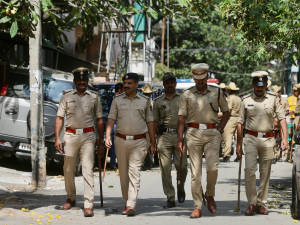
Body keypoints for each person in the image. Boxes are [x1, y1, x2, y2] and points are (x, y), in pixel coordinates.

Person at [177, 63, 230, 218]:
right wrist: (180, 139)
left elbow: (226, 112)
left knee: (212, 168)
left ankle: (210, 194)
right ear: (194, 77)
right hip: (193, 133)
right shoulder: (186, 94)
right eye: (197, 79)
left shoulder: (217, 92)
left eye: (202, 78)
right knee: (195, 173)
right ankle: (197, 205)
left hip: (212, 132)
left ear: (207, 76)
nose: (199, 81)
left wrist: (220, 129)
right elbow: (181, 117)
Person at [236, 71, 288, 216]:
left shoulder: (273, 99)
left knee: (265, 173)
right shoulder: (245, 100)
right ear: (253, 85)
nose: (259, 89)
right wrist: (239, 145)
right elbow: (240, 123)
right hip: (251, 139)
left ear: (266, 85)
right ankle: (252, 203)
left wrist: (285, 139)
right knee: (250, 171)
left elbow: (282, 118)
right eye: (257, 86)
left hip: (268, 139)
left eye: (262, 86)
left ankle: (261, 203)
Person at [54, 67, 104, 217]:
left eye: (84, 80)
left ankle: (88, 203)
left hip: (88, 136)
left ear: (87, 81)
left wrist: (100, 141)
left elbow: (100, 119)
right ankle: (71, 197)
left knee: (87, 169)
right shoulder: (66, 97)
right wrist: (57, 137)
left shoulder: (94, 97)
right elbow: (59, 118)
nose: (82, 82)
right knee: (68, 169)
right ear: (75, 81)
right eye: (79, 80)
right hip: (70, 136)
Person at [105, 73, 155, 216]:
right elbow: (111, 119)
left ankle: (130, 204)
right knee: (123, 175)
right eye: (125, 83)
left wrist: (152, 141)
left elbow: (150, 122)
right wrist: (107, 136)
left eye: (130, 83)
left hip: (139, 142)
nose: (126, 86)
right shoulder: (117, 100)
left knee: (134, 172)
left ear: (137, 85)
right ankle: (127, 200)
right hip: (120, 141)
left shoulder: (145, 101)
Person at [153, 72, 187, 208]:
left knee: (182, 167)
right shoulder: (158, 101)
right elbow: (154, 121)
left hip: (181, 136)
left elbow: (188, 117)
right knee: (165, 169)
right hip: (165, 137)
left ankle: (180, 186)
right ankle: (170, 196)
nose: (170, 85)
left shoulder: (183, 99)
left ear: (175, 83)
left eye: (172, 82)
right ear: (164, 84)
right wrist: (155, 137)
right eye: (167, 83)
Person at [222, 82, 241, 162]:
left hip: (231, 118)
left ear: (229, 90)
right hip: (239, 118)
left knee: (228, 136)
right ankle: (239, 155)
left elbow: (228, 110)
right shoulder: (239, 98)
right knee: (238, 138)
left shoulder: (230, 98)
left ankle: (227, 155)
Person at [108, 82, 124, 170]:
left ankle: (113, 163)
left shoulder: (112, 98)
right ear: (120, 90)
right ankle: (117, 163)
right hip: (117, 124)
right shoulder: (119, 99)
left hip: (113, 123)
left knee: (114, 145)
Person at [272, 85, 289, 162]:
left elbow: (287, 111)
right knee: (274, 139)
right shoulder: (272, 100)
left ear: (280, 92)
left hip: (282, 123)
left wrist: (281, 117)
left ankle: (284, 155)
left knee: (284, 138)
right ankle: (275, 155)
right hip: (274, 122)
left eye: (278, 92)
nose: (277, 94)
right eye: (275, 92)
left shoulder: (285, 100)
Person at [141, 83, 156, 170]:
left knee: (150, 145)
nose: (148, 95)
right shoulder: (140, 102)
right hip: (141, 127)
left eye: (149, 93)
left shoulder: (153, 103)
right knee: (143, 146)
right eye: (146, 94)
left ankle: (148, 162)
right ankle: (143, 163)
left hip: (150, 127)